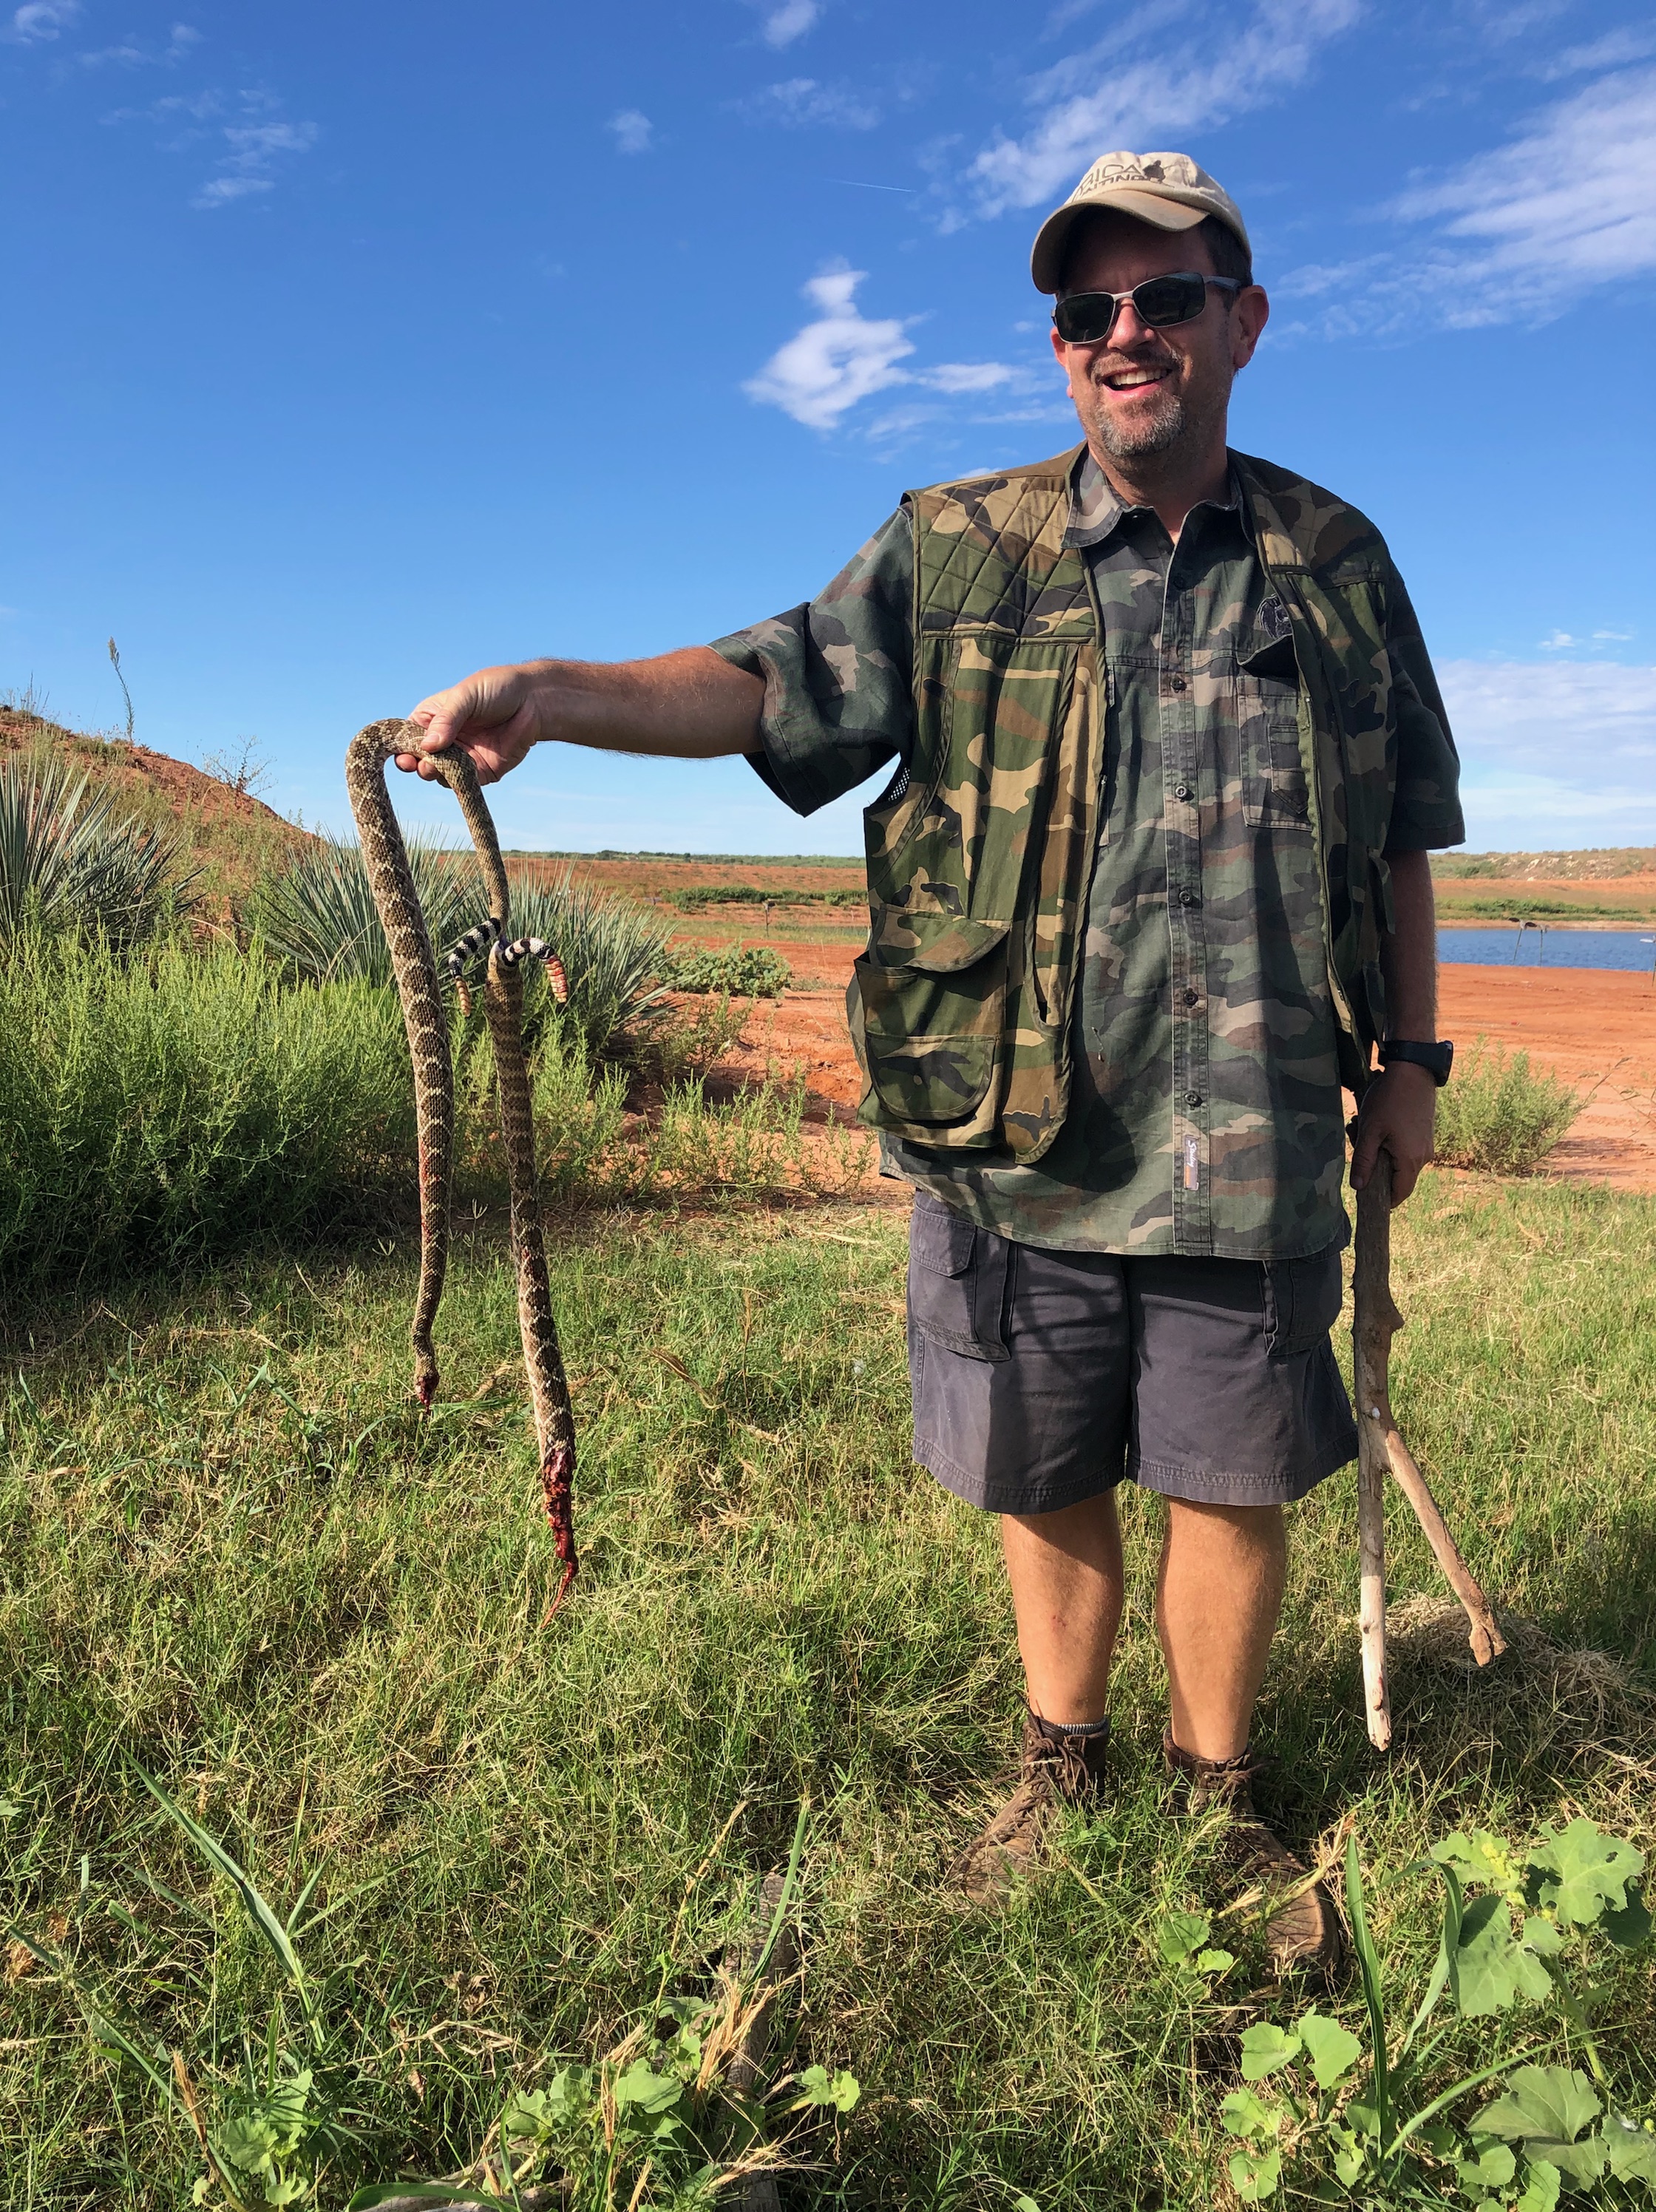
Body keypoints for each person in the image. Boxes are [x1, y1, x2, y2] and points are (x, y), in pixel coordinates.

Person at [396, 150, 1463, 1980]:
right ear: (1062, 349)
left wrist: (1417, 1059)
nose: (1126, 334)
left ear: (1242, 322)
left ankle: (1221, 1799)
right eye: (1088, 309)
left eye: (1166, 299)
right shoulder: (958, 547)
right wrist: (555, 694)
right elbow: (764, 682)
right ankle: (1062, 1755)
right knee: (1040, 1458)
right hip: (1010, 1122)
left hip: (1256, 1124)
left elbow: (1400, 839)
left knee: (1230, 1475)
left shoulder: (1336, 561)